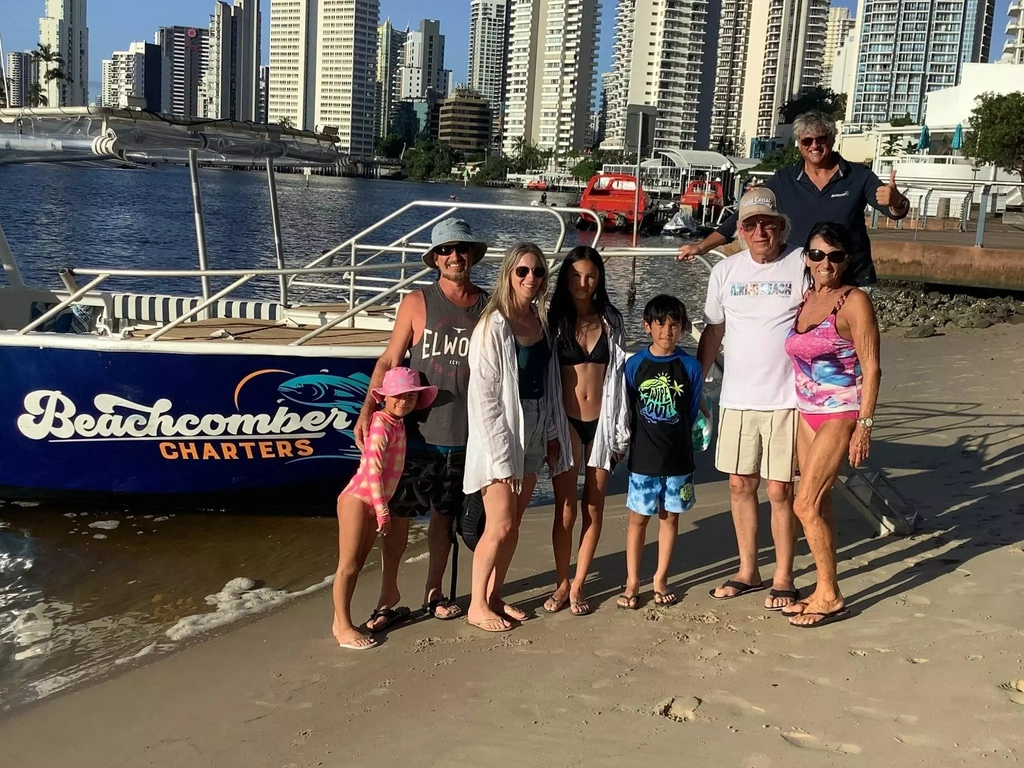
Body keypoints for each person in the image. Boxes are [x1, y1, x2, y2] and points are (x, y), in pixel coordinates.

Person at [353, 218, 488, 631]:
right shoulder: (417, 301)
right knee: (397, 516)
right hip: (414, 434)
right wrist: (367, 410)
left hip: (465, 434)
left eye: (462, 249)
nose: (455, 256)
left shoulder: (488, 303)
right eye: (446, 250)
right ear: (434, 259)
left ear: (472, 255)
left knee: (444, 517)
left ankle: (435, 592)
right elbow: (389, 360)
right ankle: (388, 596)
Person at [699, 188, 805, 610]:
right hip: (738, 398)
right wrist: (696, 384)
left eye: (768, 223)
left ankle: (784, 575)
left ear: (780, 226)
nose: (760, 231)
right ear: (738, 231)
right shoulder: (724, 273)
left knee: (780, 490)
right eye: (750, 224)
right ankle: (748, 570)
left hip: (788, 399)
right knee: (740, 484)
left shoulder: (801, 264)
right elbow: (713, 332)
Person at [464, 243, 573, 632]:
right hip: (505, 428)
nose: (531, 278)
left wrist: (551, 433)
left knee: (515, 521)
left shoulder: (538, 320)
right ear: (509, 274)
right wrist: (500, 453)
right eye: (523, 271)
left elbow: (547, 385)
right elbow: (485, 398)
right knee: (499, 523)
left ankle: (494, 596)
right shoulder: (494, 325)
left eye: (539, 272)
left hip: (538, 423)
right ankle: (476, 604)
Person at [678, 111, 910, 288]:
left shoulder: (858, 176)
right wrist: (701, 246)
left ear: (832, 138)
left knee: (850, 349)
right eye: (807, 141)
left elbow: (895, 211)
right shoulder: (784, 180)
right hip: (800, 280)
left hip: (852, 279)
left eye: (821, 139)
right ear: (799, 143)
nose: (815, 146)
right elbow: (743, 215)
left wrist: (896, 200)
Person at [782, 222, 881, 628]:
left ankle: (831, 596)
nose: (826, 263)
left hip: (840, 413)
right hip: (806, 412)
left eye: (835, 255)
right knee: (819, 503)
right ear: (807, 256)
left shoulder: (854, 302)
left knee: (803, 504)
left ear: (847, 259)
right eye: (818, 254)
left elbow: (872, 367)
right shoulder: (807, 299)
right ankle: (825, 585)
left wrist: (865, 425)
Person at [544, 247, 630, 616]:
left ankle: (579, 584)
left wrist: (621, 431)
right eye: (576, 275)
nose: (583, 283)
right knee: (564, 509)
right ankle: (561, 581)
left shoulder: (611, 319)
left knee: (593, 505)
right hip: (566, 423)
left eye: (591, 276)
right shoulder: (554, 319)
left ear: (600, 279)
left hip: (602, 422)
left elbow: (622, 378)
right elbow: (544, 376)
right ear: (566, 278)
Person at [332, 367, 438, 649]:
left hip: (372, 502)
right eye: (398, 396)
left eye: (411, 398)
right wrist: (382, 509)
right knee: (349, 565)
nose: (404, 402)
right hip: (359, 499)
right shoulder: (379, 423)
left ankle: (345, 619)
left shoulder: (398, 423)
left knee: (359, 561)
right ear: (385, 397)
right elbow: (372, 470)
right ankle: (341, 626)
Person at [617, 295, 703, 610]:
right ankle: (631, 581)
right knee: (638, 520)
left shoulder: (690, 366)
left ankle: (660, 578)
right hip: (643, 459)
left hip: (679, 459)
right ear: (648, 326)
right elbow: (625, 411)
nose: (667, 331)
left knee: (669, 518)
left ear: (681, 328)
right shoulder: (635, 365)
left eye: (674, 325)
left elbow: (692, 410)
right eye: (660, 324)